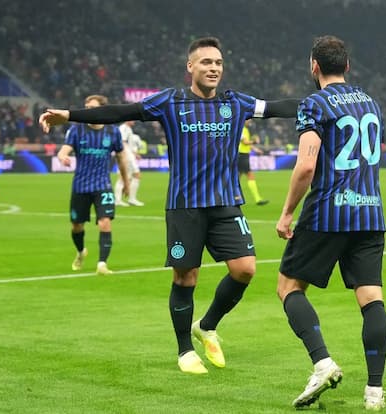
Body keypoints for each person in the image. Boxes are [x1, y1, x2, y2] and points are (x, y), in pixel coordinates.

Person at [40, 37, 298, 375]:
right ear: (190, 66)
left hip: (226, 203)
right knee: (186, 276)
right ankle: (184, 350)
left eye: (218, 63)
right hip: (184, 206)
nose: (214, 68)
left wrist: (323, 103)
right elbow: (122, 111)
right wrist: (70, 115)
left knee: (245, 269)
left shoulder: (236, 102)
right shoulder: (170, 102)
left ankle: (207, 325)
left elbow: (279, 107)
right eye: (206, 62)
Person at [275, 36, 386, 410]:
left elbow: (306, 165)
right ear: (347, 65)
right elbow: (374, 154)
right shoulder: (371, 103)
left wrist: (287, 212)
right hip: (370, 212)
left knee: (289, 287)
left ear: (314, 66)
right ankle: (374, 392)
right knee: (371, 298)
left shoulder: (315, 104)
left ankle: (323, 363)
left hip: (328, 211)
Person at [56, 94, 131, 275]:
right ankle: (81, 251)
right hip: (80, 186)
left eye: (93, 109)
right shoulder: (76, 130)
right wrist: (63, 157)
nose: (88, 112)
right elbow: (64, 150)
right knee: (77, 226)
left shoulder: (113, 132)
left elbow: (121, 158)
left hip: (102, 185)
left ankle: (102, 264)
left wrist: (126, 182)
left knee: (105, 223)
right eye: (87, 108)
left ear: (102, 110)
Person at [114, 120, 145, 207]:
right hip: (126, 156)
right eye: (132, 120)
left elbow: (128, 144)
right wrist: (125, 156)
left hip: (130, 155)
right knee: (124, 177)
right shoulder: (123, 128)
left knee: (134, 176)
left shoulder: (128, 129)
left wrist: (134, 153)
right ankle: (119, 200)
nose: (134, 121)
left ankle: (131, 199)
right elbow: (122, 143)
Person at [238, 119, 269, 205]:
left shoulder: (245, 129)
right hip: (242, 156)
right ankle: (257, 199)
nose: (250, 121)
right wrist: (254, 141)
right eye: (248, 120)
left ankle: (233, 197)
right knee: (250, 175)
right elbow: (245, 142)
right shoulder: (241, 129)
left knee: (237, 178)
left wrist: (256, 149)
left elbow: (246, 144)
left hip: (242, 155)